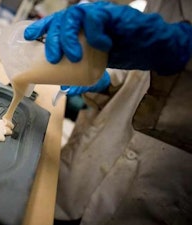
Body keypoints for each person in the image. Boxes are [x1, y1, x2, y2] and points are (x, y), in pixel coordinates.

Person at [24, 0, 192, 224]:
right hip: (87, 168)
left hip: (159, 194)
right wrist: (102, 80)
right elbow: (140, 78)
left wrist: (183, 50)